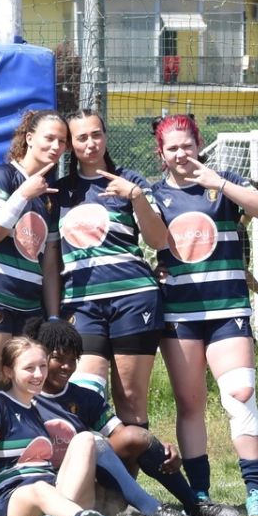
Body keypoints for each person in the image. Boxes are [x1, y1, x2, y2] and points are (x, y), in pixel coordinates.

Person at [150, 113, 258, 516]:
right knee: (190, 404)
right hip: (180, 315)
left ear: (198, 144)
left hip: (228, 310)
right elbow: (148, 242)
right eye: (172, 148)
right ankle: (201, 493)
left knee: (241, 395)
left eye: (186, 145)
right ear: (161, 153)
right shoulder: (154, 195)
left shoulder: (223, 181)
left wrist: (219, 183)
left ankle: (256, 491)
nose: (180, 153)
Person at [53, 108, 170, 421]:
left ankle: (126, 472)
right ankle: (89, 469)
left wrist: (136, 197)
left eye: (96, 134)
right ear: (69, 145)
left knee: (129, 400)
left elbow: (159, 240)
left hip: (133, 299)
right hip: (81, 304)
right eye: (81, 138)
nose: (91, 143)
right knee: (83, 397)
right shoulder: (60, 191)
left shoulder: (131, 181)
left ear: (105, 137)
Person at [31, 318, 201, 516]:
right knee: (92, 441)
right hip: (42, 489)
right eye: (58, 358)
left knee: (135, 437)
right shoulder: (22, 398)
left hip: (87, 490)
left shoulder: (85, 398)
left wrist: (161, 448)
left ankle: (196, 505)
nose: (67, 366)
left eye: (73, 360)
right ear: (39, 356)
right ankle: (154, 511)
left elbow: (125, 437)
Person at [0, 336, 122, 516]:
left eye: (42, 366)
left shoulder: (36, 409)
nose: (39, 374)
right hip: (14, 499)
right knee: (40, 489)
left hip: (54, 490)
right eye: (29, 368)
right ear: (8, 371)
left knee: (85, 439)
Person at [0, 109, 66, 369]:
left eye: (62, 141)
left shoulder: (49, 195)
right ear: (30, 138)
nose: (56, 146)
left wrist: (54, 317)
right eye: (49, 138)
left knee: (23, 394)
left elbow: (49, 264)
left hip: (29, 309)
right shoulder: (0, 176)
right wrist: (23, 194)